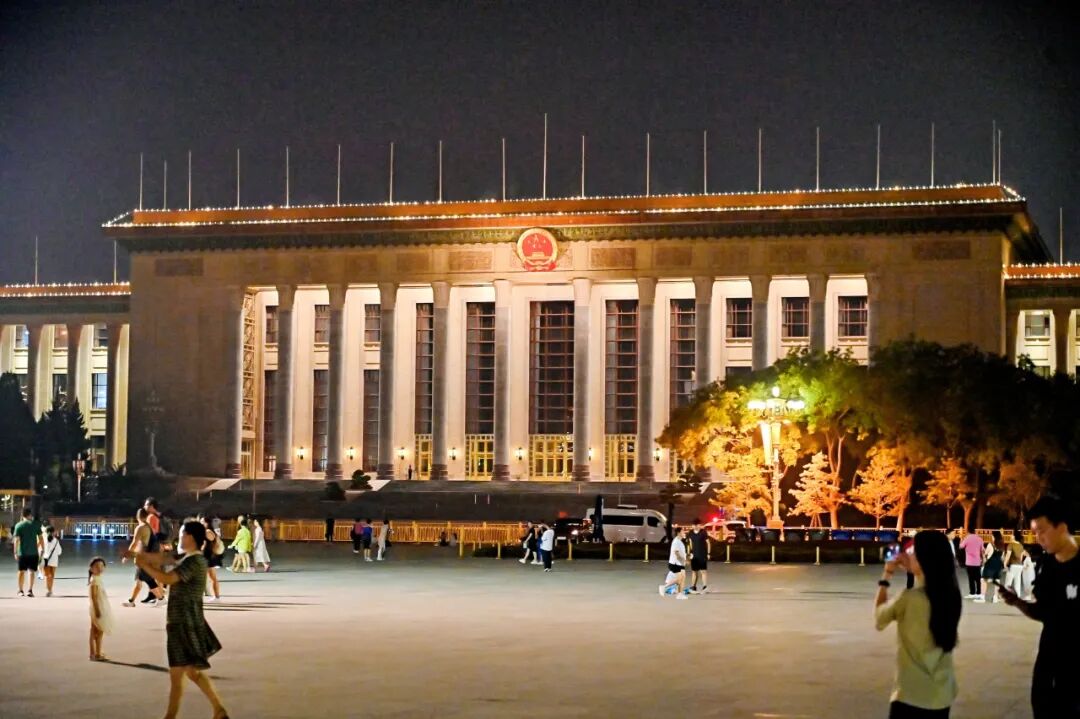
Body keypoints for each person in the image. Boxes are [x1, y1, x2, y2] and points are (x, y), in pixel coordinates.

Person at [135, 520, 229, 719]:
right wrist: (138, 555)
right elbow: (164, 558)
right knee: (186, 673)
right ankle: (217, 710)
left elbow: (168, 578)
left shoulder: (195, 561)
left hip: (185, 621)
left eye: (182, 534)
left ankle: (182, 715)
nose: (180, 538)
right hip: (181, 620)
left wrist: (144, 565)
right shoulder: (188, 557)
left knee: (182, 674)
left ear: (191, 537)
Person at [997, 495, 1080, 718]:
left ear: (1062, 527)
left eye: (1042, 531)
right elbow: (1044, 612)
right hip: (1048, 659)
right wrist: (1017, 601)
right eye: (1034, 532)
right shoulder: (1046, 566)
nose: (1038, 538)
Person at [874, 530, 961, 718]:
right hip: (942, 693)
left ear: (924, 560)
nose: (908, 555)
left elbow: (880, 619)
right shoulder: (951, 596)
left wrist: (887, 575)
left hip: (911, 694)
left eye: (913, 552)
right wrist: (916, 570)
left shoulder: (909, 599)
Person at [123, 508, 165, 607]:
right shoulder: (149, 527)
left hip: (143, 559)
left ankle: (161, 599)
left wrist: (127, 555)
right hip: (146, 557)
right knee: (139, 581)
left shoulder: (140, 527)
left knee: (148, 580)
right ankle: (131, 601)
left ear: (137, 516)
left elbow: (134, 543)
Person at [87, 556, 113, 661]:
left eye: (102, 566)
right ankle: (93, 653)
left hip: (100, 606)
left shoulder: (97, 578)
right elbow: (93, 597)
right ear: (91, 568)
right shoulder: (94, 580)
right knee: (96, 632)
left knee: (98, 631)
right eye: (97, 566)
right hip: (97, 607)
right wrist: (97, 610)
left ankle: (97, 652)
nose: (100, 568)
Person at [13, 508, 43, 597]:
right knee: (31, 571)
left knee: (21, 571)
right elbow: (41, 538)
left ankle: (20, 590)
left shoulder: (18, 525)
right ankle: (30, 590)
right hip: (33, 553)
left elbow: (16, 540)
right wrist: (39, 547)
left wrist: (15, 552)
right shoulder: (36, 525)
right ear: (30, 515)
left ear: (22, 515)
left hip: (22, 553)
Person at [659, 526, 689, 599]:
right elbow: (676, 553)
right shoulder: (676, 541)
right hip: (675, 563)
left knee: (683, 578)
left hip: (680, 563)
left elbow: (681, 553)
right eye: (683, 531)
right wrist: (684, 560)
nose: (684, 533)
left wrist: (686, 557)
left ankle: (679, 594)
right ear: (679, 533)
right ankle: (664, 587)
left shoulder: (680, 541)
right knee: (679, 579)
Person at [977, 531, 1005, 603]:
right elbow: (1002, 557)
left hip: (990, 564)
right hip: (998, 564)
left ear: (995, 537)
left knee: (984, 580)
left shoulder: (990, 544)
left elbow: (985, 553)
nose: (991, 537)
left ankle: (982, 597)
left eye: (992, 536)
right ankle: (995, 597)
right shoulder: (1002, 546)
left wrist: (983, 554)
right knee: (997, 581)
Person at [200, 516, 224, 601]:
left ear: (206, 523)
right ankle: (216, 596)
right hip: (208, 556)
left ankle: (216, 597)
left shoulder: (208, 531)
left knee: (212, 578)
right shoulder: (208, 531)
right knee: (211, 578)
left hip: (208, 557)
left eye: (202, 522)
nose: (200, 523)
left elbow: (206, 543)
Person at [958, 530, 983, 599]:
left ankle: (972, 593)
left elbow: (960, 546)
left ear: (968, 532)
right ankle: (979, 593)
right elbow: (982, 550)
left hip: (969, 562)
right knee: (978, 578)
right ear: (975, 532)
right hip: (977, 562)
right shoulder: (979, 538)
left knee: (971, 578)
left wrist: (961, 539)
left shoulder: (967, 538)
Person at [687, 519, 710, 594]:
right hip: (694, 555)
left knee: (703, 571)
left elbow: (708, 543)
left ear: (699, 525)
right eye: (694, 525)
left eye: (697, 525)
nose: (695, 526)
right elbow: (690, 543)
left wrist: (708, 553)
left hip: (702, 554)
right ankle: (693, 586)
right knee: (694, 571)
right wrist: (690, 553)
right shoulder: (690, 532)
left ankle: (705, 586)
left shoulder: (703, 532)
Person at [1002, 533, 1028, 600]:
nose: (1010, 538)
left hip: (1013, 565)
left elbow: (1008, 555)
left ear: (1014, 538)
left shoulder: (1011, 544)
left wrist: (1005, 563)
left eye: (1011, 537)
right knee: (1017, 581)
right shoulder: (1020, 545)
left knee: (1008, 582)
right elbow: (1021, 558)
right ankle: (1017, 596)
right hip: (1019, 566)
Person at [42, 525, 63, 597]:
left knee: (47, 576)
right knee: (52, 576)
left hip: (45, 559)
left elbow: (41, 549)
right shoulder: (56, 540)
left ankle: (47, 590)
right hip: (54, 560)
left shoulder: (43, 540)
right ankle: (50, 590)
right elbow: (59, 552)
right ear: (53, 532)